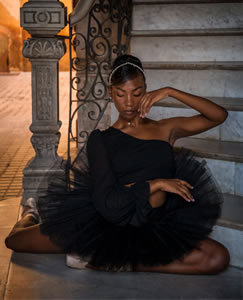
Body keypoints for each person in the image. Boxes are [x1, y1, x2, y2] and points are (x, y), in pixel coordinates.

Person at [5, 54, 230, 274]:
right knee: (16, 240)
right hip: (106, 221)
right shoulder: (101, 140)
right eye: (121, 94)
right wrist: (157, 184)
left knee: (217, 258)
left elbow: (218, 116)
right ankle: (31, 212)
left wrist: (170, 91)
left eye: (137, 93)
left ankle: (115, 261)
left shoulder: (165, 129)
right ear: (111, 93)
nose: (129, 102)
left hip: (155, 223)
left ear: (147, 90)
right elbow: (107, 202)